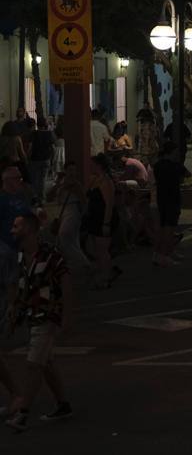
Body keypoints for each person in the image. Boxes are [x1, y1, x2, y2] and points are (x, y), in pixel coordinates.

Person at [2, 214, 73, 432]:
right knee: (46, 363)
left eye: (16, 226)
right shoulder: (24, 255)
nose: (12, 230)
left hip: (48, 316)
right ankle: (63, 404)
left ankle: (23, 413)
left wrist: (67, 317)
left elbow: (66, 284)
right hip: (33, 315)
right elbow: (24, 285)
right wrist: (15, 309)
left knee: (34, 364)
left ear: (30, 229)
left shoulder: (50, 255)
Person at [82, 154, 122, 288]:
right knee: (93, 248)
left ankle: (106, 276)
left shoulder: (106, 182)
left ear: (99, 165)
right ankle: (104, 270)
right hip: (94, 217)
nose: (90, 166)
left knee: (102, 249)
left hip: (103, 218)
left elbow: (109, 204)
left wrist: (106, 223)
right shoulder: (94, 179)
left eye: (92, 164)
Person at [150, 142, 190, 268]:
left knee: (163, 228)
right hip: (172, 198)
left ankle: (161, 253)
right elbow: (187, 174)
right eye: (176, 152)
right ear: (172, 152)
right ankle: (164, 255)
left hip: (161, 199)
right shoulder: (175, 166)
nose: (178, 154)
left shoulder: (157, 166)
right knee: (169, 228)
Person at [27, 117, 55, 203]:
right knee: (43, 179)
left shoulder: (33, 133)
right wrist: (52, 158)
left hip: (35, 159)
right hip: (46, 159)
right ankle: (42, 198)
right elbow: (53, 148)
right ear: (45, 125)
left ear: (37, 125)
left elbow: (30, 147)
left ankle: (34, 196)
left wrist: (27, 157)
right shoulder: (49, 134)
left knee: (34, 179)